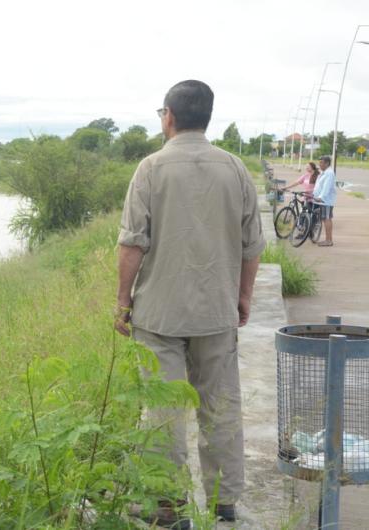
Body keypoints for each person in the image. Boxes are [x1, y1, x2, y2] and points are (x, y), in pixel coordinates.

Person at [115, 80, 265, 528]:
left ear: (169, 117)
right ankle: (223, 501)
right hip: (217, 311)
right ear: (208, 117)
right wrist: (242, 297)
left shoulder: (150, 169)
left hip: (159, 313)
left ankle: (167, 504)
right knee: (220, 404)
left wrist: (122, 301)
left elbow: (132, 244)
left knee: (162, 408)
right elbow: (251, 245)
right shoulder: (235, 169)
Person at [313, 155, 336, 246]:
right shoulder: (324, 172)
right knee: (325, 218)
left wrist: (321, 197)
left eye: (321, 162)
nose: (320, 164)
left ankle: (329, 240)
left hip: (326, 200)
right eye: (319, 162)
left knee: (327, 219)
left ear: (327, 163)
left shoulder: (329, 173)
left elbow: (327, 187)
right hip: (322, 200)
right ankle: (328, 240)